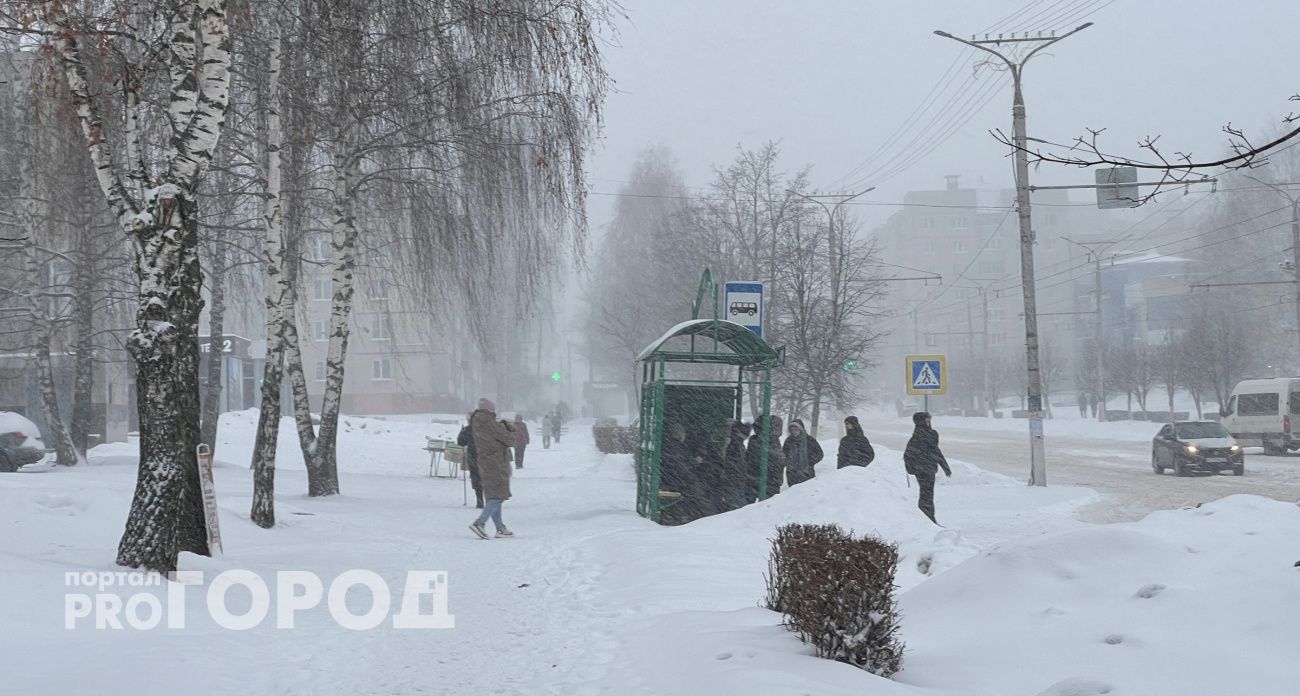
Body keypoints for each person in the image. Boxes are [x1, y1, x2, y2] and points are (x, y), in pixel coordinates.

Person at [469, 398, 517, 539]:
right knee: (498, 495)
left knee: (494, 494)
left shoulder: (478, 422)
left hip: (485, 461)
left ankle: (500, 528)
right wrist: (508, 428)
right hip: (496, 462)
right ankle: (480, 523)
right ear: (490, 410)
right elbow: (510, 440)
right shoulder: (491, 423)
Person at [903, 411, 952, 525]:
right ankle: (928, 519)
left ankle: (927, 518)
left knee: (926, 494)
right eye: (927, 419)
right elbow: (935, 451)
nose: (929, 421)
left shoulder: (917, 434)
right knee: (927, 495)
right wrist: (945, 467)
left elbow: (908, 454)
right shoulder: (929, 434)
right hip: (926, 468)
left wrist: (911, 468)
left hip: (923, 468)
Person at [745, 415, 785, 501]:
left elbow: (779, 460)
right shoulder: (761, 441)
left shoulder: (763, 441)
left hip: (765, 480)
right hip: (761, 479)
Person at [782, 419, 823, 487]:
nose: (794, 432)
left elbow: (819, 454)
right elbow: (784, 454)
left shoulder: (809, 440)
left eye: (796, 430)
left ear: (801, 429)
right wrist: (788, 463)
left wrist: (809, 462)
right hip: (792, 474)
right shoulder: (788, 441)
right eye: (792, 430)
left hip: (807, 473)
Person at [456, 413, 483, 508]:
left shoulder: (468, 429)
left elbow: (460, 443)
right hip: (487, 457)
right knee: (487, 478)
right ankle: (490, 501)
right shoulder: (486, 428)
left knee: (476, 478)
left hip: (473, 456)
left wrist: (462, 432)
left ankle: (480, 500)